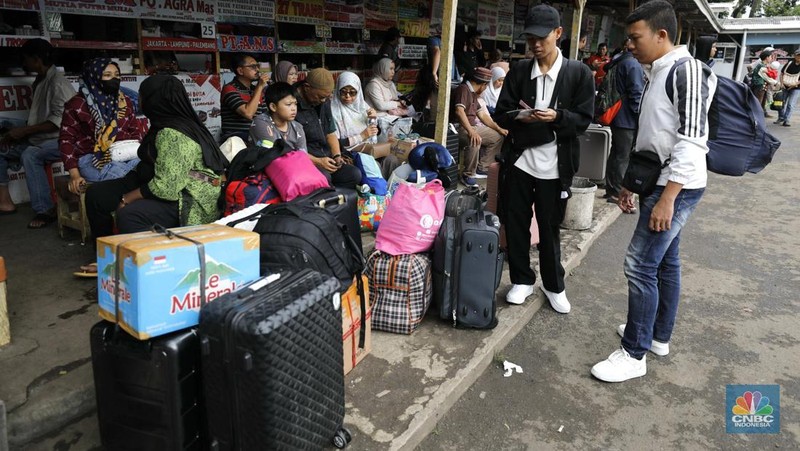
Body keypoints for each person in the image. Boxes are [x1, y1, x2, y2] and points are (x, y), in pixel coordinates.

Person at [591, 0, 717, 383]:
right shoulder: (658, 70)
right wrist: (632, 184)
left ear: (662, 35)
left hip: (675, 187)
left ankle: (634, 352)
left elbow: (692, 140)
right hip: (657, 181)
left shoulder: (687, 70)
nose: (629, 45)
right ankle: (656, 337)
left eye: (635, 37)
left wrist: (667, 198)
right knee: (665, 262)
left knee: (640, 264)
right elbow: (655, 138)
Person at [494, 4, 594, 313]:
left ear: (558, 34)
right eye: (530, 39)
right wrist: (522, 116)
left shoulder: (578, 73)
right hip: (521, 161)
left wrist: (557, 116)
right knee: (516, 221)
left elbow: (583, 118)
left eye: (542, 38)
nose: (536, 45)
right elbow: (502, 112)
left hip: (556, 164)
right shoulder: (521, 70)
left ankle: (553, 285)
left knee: (550, 227)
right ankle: (522, 279)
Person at [85, 74, 226, 240]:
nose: (139, 99)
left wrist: (127, 198)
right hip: (156, 179)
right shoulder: (166, 123)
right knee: (97, 195)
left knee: (130, 215)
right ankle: (105, 254)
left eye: (142, 95)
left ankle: (147, 260)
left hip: (190, 197)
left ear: (154, 100)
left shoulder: (173, 133)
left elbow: (167, 187)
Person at [0, 39, 75, 227]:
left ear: (36, 59)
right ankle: (5, 202)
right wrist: (17, 131)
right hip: (42, 137)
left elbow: (59, 122)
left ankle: (45, 209)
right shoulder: (41, 80)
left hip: (64, 140)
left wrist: (23, 131)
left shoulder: (57, 83)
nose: (24, 64)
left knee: (30, 155)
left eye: (26, 59)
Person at [59, 58, 146, 195]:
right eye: (107, 75)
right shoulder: (76, 105)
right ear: (94, 77)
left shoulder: (124, 101)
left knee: (150, 171)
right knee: (126, 179)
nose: (114, 79)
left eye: (117, 75)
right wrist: (75, 175)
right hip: (93, 159)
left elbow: (135, 132)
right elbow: (66, 141)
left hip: (127, 154)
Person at [294, 68, 361, 189]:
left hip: (326, 157)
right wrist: (318, 162)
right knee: (324, 178)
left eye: (326, 97)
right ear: (307, 87)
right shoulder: (292, 105)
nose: (323, 100)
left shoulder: (324, 101)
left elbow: (330, 132)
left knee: (354, 174)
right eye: (320, 97)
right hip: (305, 161)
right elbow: (291, 149)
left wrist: (337, 156)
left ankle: (340, 202)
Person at [330, 71, 400, 179]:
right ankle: (378, 191)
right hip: (350, 153)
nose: (348, 96)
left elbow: (375, 133)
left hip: (370, 149)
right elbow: (336, 143)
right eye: (343, 92)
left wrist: (374, 119)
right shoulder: (334, 111)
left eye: (352, 93)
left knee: (392, 160)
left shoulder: (363, 107)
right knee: (373, 165)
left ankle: (389, 190)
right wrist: (362, 136)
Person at [603, 39, 645, 211]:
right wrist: (640, 116)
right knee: (623, 156)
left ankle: (611, 188)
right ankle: (616, 191)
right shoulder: (633, 64)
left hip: (617, 116)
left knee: (616, 154)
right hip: (627, 118)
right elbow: (636, 93)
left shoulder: (619, 60)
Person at [451, 67, 507, 186]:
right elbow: (459, 111)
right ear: (483, 84)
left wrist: (498, 128)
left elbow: (482, 114)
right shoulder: (463, 89)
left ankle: (482, 168)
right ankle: (468, 175)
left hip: (471, 127)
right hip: (457, 128)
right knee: (475, 139)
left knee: (497, 137)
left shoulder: (473, 93)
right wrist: (471, 131)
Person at [219, 53, 270, 143]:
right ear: (240, 71)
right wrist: (260, 86)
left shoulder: (257, 91)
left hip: (255, 137)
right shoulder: (229, 89)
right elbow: (248, 113)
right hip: (235, 140)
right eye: (253, 66)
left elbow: (265, 116)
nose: (257, 70)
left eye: (257, 66)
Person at [250, 82, 306, 151]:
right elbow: (272, 155)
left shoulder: (298, 127)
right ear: (273, 107)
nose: (294, 108)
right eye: (288, 104)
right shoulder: (260, 123)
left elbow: (303, 156)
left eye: (295, 104)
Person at [776, 49, 800, 126]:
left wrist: (793, 85)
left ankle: (787, 120)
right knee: (781, 103)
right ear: (794, 55)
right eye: (798, 55)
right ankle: (781, 117)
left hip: (796, 88)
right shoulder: (789, 63)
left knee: (790, 104)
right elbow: (782, 74)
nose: (799, 57)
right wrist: (782, 84)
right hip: (784, 86)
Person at [750, 50, 775, 116]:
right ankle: (755, 119)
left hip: (761, 87)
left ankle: (758, 118)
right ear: (767, 57)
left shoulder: (763, 65)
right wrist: (776, 83)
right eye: (770, 57)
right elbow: (766, 77)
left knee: (761, 103)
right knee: (758, 103)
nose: (771, 58)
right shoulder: (762, 66)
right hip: (759, 87)